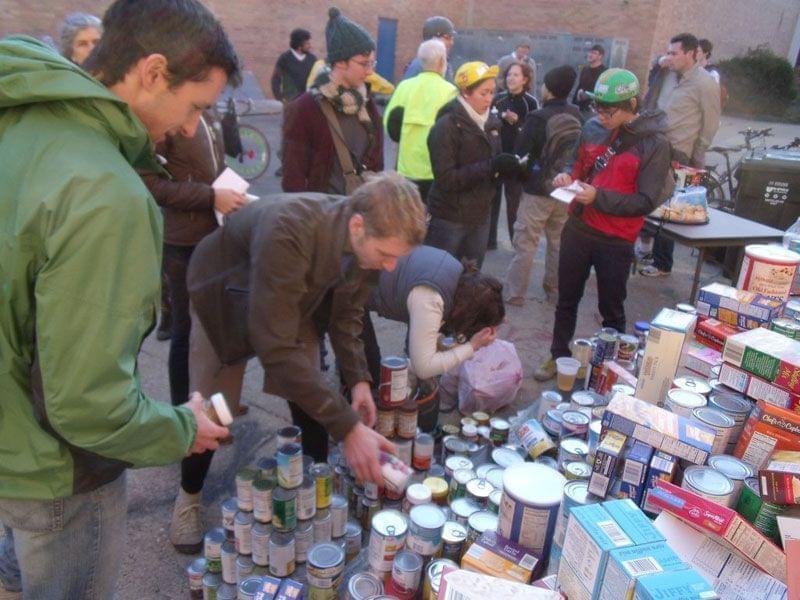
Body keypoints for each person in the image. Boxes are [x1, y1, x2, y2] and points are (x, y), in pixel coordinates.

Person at [0, 0, 240, 596]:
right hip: (56, 473)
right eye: (194, 108)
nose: (190, 129)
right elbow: (87, 407)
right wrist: (178, 429)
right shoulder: (106, 192)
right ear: (152, 72)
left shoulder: (23, 119)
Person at [177, 173, 427, 552]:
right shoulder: (289, 226)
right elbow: (274, 345)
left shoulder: (366, 243)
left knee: (313, 393)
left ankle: (314, 496)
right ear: (358, 226)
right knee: (215, 410)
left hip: (292, 299)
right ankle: (188, 498)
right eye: (387, 255)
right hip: (224, 296)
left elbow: (346, 316)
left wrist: (358, 380)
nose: (391, 267)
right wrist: (347, 428)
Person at [534, 69, 672, 380]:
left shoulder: (654, 144)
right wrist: (566, 175)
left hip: (617, 239)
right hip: (579, 229)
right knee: (566, 298)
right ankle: (557, 355)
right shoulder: (592, 127)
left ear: (632, 104)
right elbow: (576, 163)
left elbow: (646, 201)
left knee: (611, 310)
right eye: (597, 107)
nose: (601, 116)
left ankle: (609, 369)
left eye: (609, 111)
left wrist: (597, 197)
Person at [140, 112, 247, 411]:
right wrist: (211, 196)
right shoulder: (169, 122)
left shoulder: (207, 114)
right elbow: (151, 185)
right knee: (185, 330)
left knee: (215, 328)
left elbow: (214, 168)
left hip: (214, 235)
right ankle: (182, 413)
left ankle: (218, 404)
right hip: (182, 245)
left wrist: (234, 191)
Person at [640, 33, 720, 278]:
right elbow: (649, 103)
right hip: (654, 143)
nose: (669, 57)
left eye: (674, 53)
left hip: (679, 151)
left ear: (691, 53)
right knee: (647, 197)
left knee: (669, 207)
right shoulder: (667, 75)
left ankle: (663, 262)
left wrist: (696, 157)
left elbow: (710, 123)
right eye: (669, 52)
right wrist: (658, 70)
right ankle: (646, 248)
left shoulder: (705, 83)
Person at [363, 246, 504, 381]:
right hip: (350, 286)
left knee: (371, 365)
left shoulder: (456, 271)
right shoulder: (432, 299)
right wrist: (472, 346)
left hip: (364, 273)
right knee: (367, 373)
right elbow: (423, 369)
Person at [282, 8, 383, 194]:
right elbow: (293, 180)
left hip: (362, 215)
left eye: (372, 63)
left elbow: (377, 168)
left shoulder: (368, 105)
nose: (370, 71)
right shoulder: (305, 109)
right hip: (322, 218)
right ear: (340, 62)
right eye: (364, 63)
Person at [425, 61, 514, 268]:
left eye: (492, 92)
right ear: (465, 92)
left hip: (481, 216)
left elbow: (496, 163)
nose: (490, 99)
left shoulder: (492, 122)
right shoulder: (447, 125)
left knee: (472, 281)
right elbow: (446, 179)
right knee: (440, 276)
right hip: (449, 219)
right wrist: (491, 167)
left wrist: (511, 169)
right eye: (484, 93)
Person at [504, 65, 581, 306]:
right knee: (558, 242)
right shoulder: (577, 114)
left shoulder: (537, 117)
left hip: (538, 189)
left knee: (526, 242)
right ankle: (554, 290)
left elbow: (521, 154)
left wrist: (523, 179)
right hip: (565, 188)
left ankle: (515, 294)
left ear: (547, 88)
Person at [384, 39, 457, 203]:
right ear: (441, 62)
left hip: (406, 169)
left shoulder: (404, 87)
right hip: (436, 171)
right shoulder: (450, 92)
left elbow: (389, 123)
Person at [489, 61, 539, 248]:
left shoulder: (531, 102)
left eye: (516, 75)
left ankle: (515, 243)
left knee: (514, 205)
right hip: (497, 156)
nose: (511, 78)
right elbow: (489, 122)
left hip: (516, 160)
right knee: (491, 200)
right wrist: (500, 118)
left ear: (525, 80)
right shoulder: (498, 99)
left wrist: (518, 123)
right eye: (509, 74)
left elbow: (533, 131)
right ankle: (489, 240)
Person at [403, 16, 456, 81]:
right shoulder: (419, 66)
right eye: (447, 38)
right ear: (433, 39)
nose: (451, 43)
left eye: (452, 39)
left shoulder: (444, 64)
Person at [271, 28, 317, 103]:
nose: (310, 46)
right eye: (307, 44)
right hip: (290, 102)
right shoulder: (285, 59)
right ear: (299, 47)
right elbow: (275, 79)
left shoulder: (312, 59)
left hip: (308, 102)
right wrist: (279, 99)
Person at [572, 44, 607, 119]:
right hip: (580, 109)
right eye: (590, 52)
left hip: (594, 112)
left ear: (600, 56)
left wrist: (589, 96)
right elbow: (580, 86)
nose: (590, 55)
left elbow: (605, 93)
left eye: (594, 53)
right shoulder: (585, 69)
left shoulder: (605, 72)